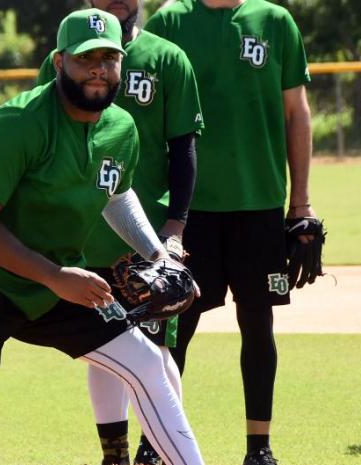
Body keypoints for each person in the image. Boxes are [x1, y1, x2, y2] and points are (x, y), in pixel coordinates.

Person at [0, 9, 205, 465]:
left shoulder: (121, 129)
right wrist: (57, 277)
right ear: (59, 63)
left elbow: (115, 197)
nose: (99, 68)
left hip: (55, 277)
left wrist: (161, 256)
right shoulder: (17, 124)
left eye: (110, 58)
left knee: (147, 364)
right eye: (86, 58)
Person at [145, 1, 318, 464]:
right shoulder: (169, 20)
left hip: (258, 205)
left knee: (258, 325)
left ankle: (258, 448)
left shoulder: (274, 21)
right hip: (186, 210)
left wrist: (299, 203)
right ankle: (154, 442)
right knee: (171, 328)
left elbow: (296, 112)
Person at [35, 1, 204, 464]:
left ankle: (158, 451)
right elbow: (44, 138)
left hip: (143, 241)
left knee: (154, 351)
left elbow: (183, 148)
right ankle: (116, 455)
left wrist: (173, 229)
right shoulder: (63, 59)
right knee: (102, 349)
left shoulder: (167, 58)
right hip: (81, 239)